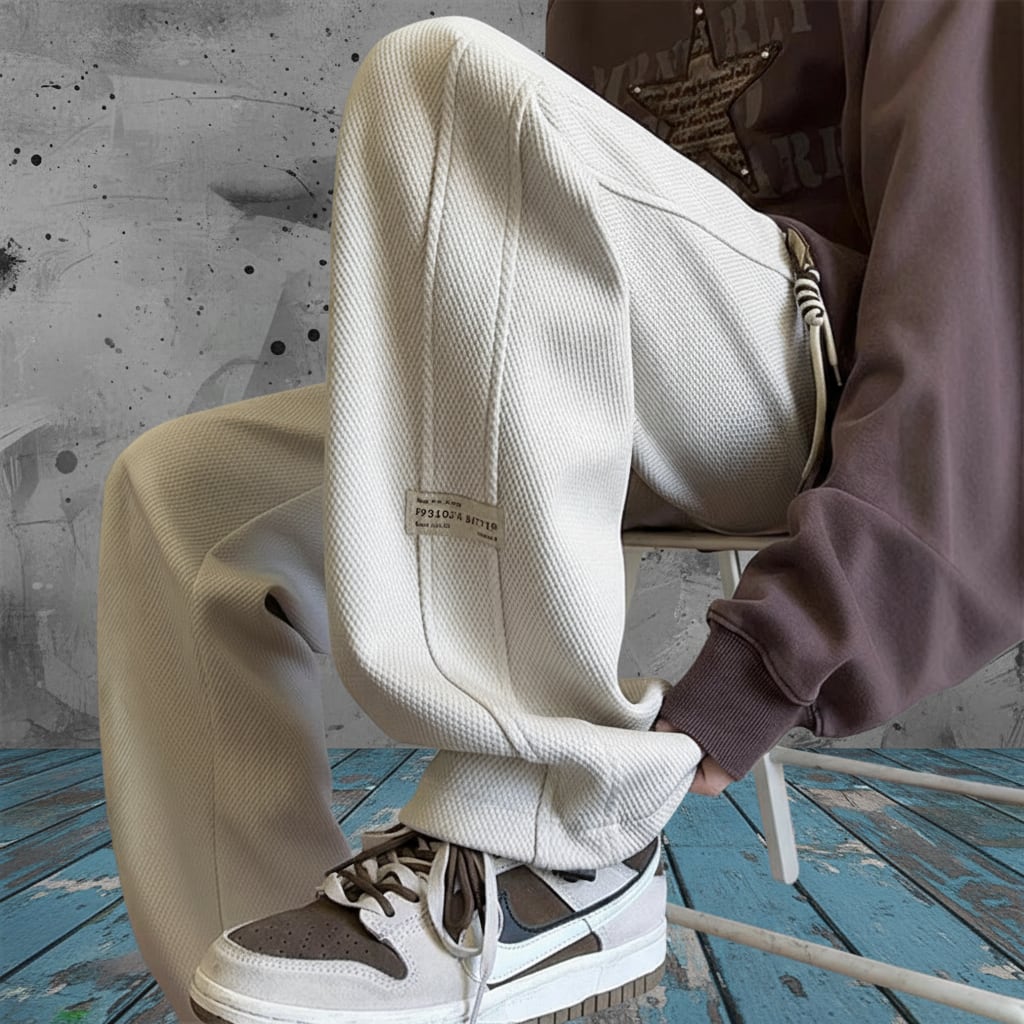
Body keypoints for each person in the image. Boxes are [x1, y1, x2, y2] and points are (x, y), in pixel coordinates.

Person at [97, 3, 1022, 1023]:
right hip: (639, 370)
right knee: (181, 488)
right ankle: (267, 983)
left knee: (443, 70)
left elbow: (969, 305)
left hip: (827, 381)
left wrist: (778, 654)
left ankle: (560, 846)